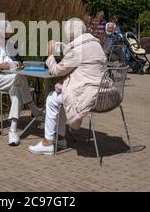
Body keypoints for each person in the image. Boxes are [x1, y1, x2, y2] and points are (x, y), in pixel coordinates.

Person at [28, 18, 107, 155]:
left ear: (71, 34)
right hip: (102, 92)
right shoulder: (96, 45)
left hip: (86, 94)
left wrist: (50, 55)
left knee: (52, 99)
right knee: (63, 96)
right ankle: (61, 138)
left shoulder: (78, 50)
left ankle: (47, 143)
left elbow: (56, 71)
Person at [0, 20, 42, 146]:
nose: (7, 39)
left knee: (16, 89)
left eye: (9, 36)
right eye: (5, 36)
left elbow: (22, 63)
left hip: (14, 79)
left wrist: (19, 64)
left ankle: (13, 131)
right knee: (20, 77)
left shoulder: (13, 46)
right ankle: (33, 109)